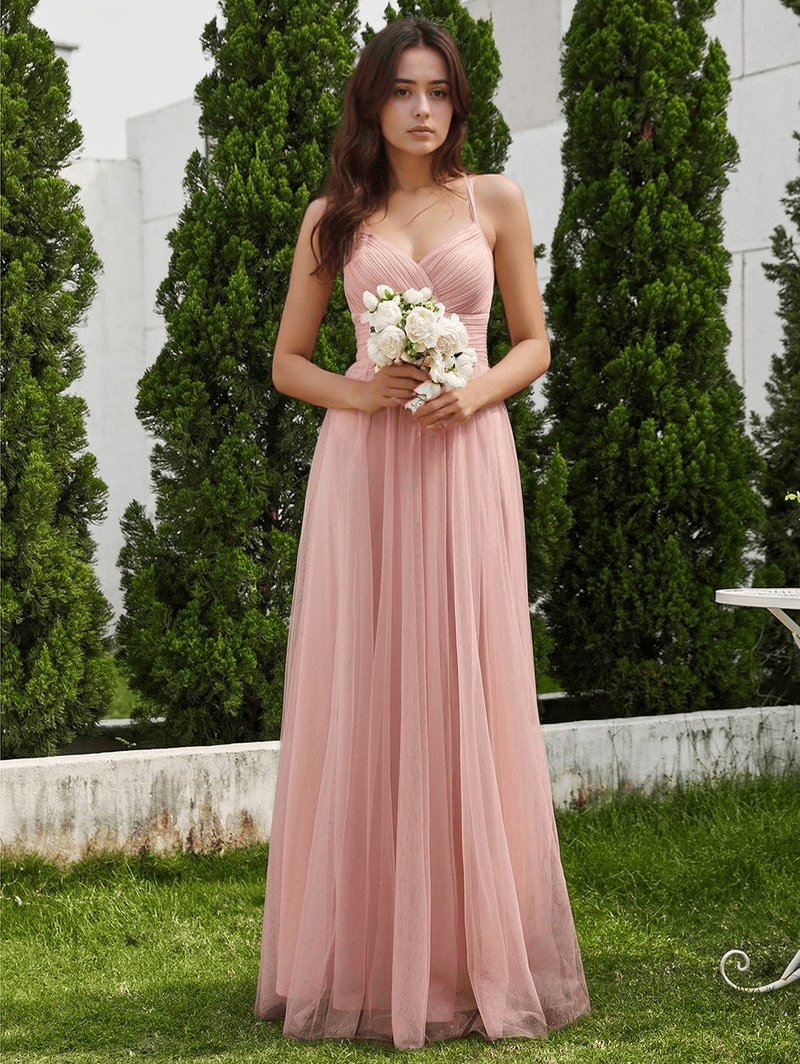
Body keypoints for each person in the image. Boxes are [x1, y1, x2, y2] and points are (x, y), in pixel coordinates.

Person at [254, 16, 590, 1050]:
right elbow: (288, 363)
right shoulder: (333, 218)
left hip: (463, 459)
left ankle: (467, 947)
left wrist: (474, 388)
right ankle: (365, 954)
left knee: (462, 680)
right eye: (402, 89)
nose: (421, 108)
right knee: (369, 685)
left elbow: (533, 342)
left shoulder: (494, 200)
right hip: (366, 471)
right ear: (372, 100)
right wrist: (360, 393)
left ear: (457, 103)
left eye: (438, 90)